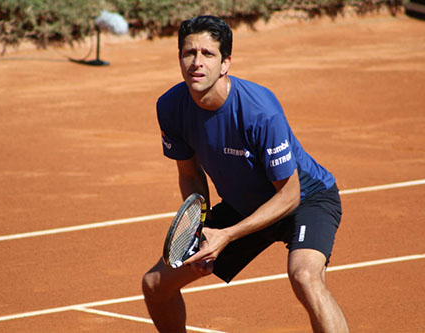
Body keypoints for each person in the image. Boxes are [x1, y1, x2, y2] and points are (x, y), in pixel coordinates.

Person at [142, 15, 349, 333]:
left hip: (306, 198)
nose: (197, 63)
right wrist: (202, 232)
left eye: (208, 54)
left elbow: (290, 194)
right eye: (189, 53)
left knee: (305, 276)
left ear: (225, 63)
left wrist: (225, 236)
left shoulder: (259, 112)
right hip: (245, 205)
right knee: (156, 285)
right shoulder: (170, 107)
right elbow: (189, 175)